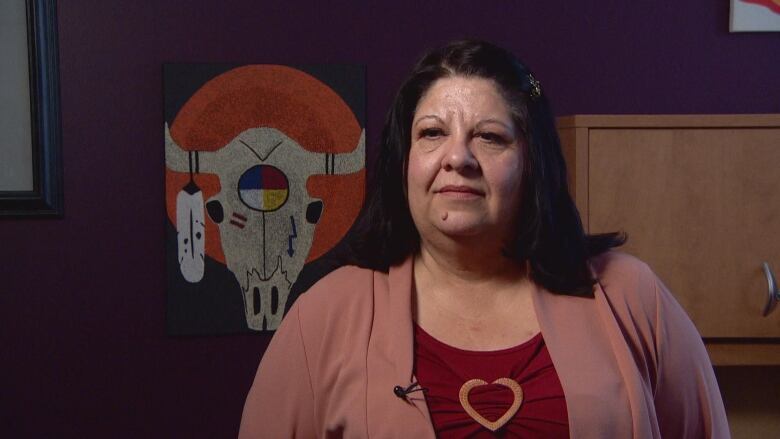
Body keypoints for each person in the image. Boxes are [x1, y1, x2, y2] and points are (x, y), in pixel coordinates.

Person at [238, 40, 729, 438]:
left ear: (531, 163)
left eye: (490, 137)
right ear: (403, 161)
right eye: (431, 133)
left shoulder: (630, 296)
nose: (458, 158)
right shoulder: (322, 316)